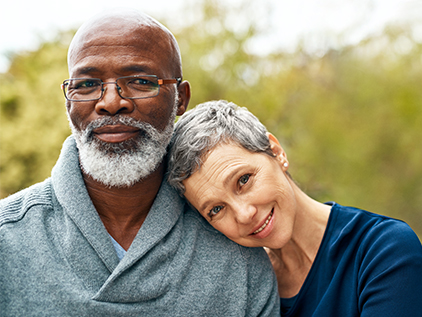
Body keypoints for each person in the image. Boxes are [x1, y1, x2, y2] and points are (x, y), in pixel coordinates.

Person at [0, 10, 280, 316]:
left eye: (139, 81)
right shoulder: (8, 238)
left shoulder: (236, 244)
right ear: (68, 102)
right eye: (87, 84)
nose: (110, 102)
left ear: (180, 100)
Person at [167, 99, 422, 316]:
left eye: (243, 181)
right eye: (216, 210)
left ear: (277, 152)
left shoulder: (384, 250)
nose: (244, 214)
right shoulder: (244, 288)